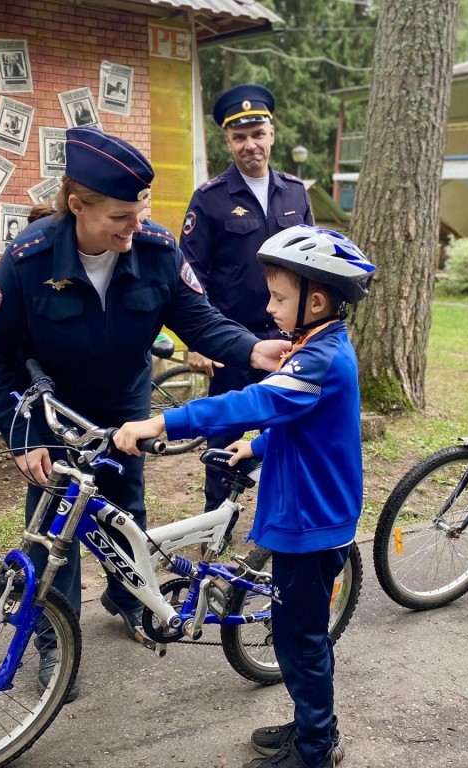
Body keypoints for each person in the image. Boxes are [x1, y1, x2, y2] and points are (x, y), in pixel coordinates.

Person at [0, 127, 290, 703]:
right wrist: (24, 436)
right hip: (54, 411)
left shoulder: (156, 250)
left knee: (125, 512)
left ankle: (128, 600)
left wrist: (250, 347)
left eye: (140, 209)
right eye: (121, 215)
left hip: (122, 407)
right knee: (55, 532)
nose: (135, 225)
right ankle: (53, 645)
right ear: (78, 206)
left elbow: (197, 318)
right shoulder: (28, 260)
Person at [114, 225, 376, 768]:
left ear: (318, 300)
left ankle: (315, 749)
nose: (269, 305)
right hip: (305, 512)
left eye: (280, 297)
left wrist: (163, 420)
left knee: (300, 643)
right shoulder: (318, 347)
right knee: (295, 637)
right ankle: (311, 726)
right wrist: (256, 448)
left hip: (312, 523)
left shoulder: (320, 359)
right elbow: (301, 422)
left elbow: (253, 401)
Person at [180, 83, 313, 519]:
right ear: (228, 141)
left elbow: (312, 264)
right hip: (232, 340)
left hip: (291, 339)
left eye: (257, 133)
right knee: (224, 435)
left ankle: (280, 518)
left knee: (289, 431)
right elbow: (189, 273)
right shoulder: (210, 198)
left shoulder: (296, 192)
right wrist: (199, 341)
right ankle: (216, 522)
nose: (250, 144)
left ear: (272, 134)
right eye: (239, 137)